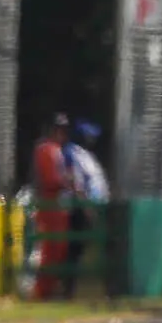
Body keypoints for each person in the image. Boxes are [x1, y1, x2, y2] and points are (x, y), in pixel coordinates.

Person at [61, 121, 110, 297]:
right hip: (81, 207)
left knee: (89, 249)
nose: (93, 140)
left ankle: (93, 290)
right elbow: (75, 181)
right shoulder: (71, 152)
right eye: (90, 136)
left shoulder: (86, 155)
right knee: (76, 249)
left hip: (94, 206)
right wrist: (86, 207)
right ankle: (69, 291)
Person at [29, 115, 72, 300]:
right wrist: (66, 181)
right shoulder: (45, 149)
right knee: (48, 248)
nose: (61, 133)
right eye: (58, 129)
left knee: (58, 248)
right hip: (49, 205)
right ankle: (42, 291)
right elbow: (49, 179)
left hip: (59, 206)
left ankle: (51, 288)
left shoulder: (58, 150)